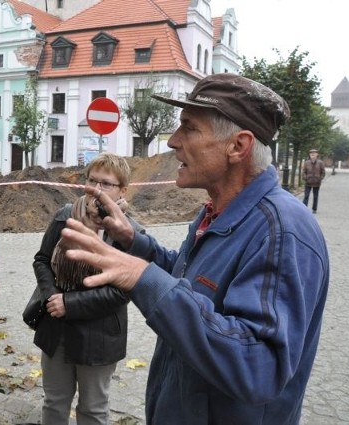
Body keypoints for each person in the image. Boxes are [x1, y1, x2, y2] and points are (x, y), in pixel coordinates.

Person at [59, 74, 329, 425]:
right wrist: (134, 242)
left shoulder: (281, 232)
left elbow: (258, 367)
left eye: (189, 128)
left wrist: (142, 277)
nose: (173, 142)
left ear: (238, 146)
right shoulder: (217, 211)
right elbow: (192, 282)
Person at [32, 153, 145, 425]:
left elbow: (122, 291)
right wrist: (52, 296)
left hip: (100, 335)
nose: (96, 189)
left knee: (93, 410)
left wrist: (70, 303)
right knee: (54, 403)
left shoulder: (130, 233)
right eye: (92, 181)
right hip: (56, 328)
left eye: (105, 184)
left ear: (122, 190)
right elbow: (42, 260)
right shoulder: (65, 217)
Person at [302, 148, 325, 213]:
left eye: (314, 153)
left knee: (315, 196)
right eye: (311, 153)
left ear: (317, 154)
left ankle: (314, 209)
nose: (312, 154)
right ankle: (304, 208)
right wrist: (305, 178)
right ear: (309, 155)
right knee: (306, 196)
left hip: (316, 182)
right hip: (308, 182)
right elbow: (304, 171)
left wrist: (319, 179)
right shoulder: (306, 163)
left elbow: (323, 172)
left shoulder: (320, 163)